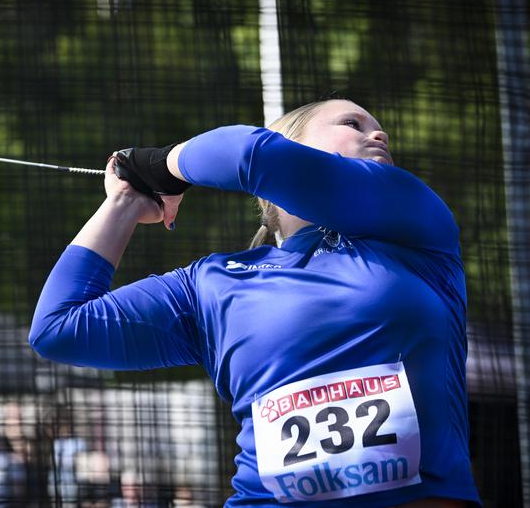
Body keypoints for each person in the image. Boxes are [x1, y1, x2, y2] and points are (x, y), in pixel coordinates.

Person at [29, 99, 481, 506]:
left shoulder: (412, 220)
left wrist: (159, 164)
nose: (378, 134)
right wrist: (124, 202)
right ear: (290, 144)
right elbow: (60, 329)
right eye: (352, 122)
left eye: (378, 128)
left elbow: (250, 154)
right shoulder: (211, 282)